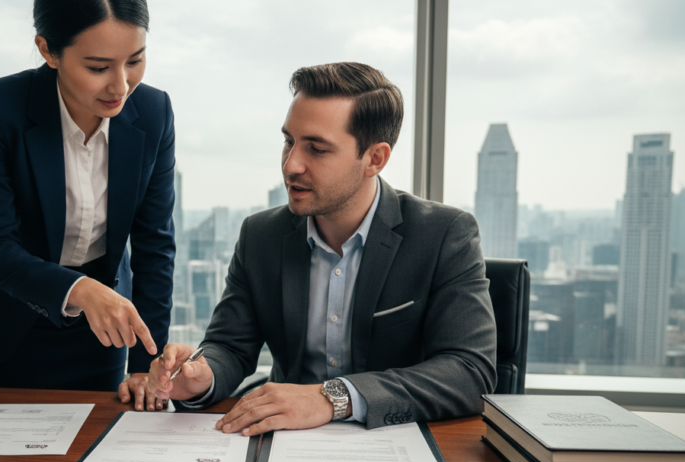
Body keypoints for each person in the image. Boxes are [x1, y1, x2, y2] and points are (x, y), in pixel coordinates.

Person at [129, 62, 497, 434]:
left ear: (375, 158)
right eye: (289, 141)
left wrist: (331, 397)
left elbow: (469, 371)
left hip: (397, 441)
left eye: (317, 149)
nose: (291, 165)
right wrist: (200, 375)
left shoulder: (443, 234)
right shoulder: (261, 235)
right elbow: (230, 346)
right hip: (285, 443)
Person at [0, 0, 174, 399]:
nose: (121, 86)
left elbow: (155, 245)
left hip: (103, 325)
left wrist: (143, 365)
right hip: (12, 315)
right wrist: (81, 289)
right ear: (48, 50)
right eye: (98, 67)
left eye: (134, 60)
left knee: (94, 447)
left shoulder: (153, 112)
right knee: (18, 451)